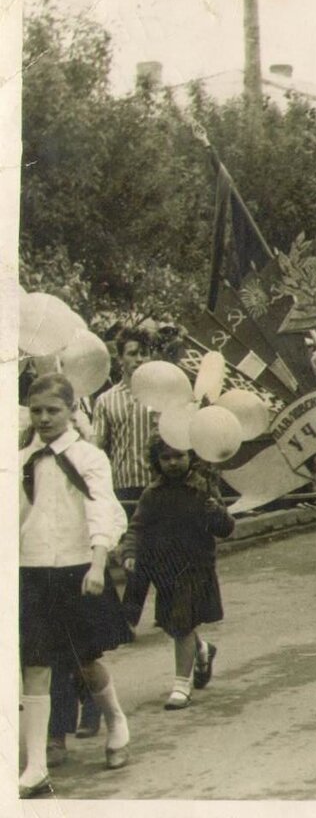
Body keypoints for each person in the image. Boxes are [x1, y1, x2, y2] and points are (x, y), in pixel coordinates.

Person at [19, 374, 134, 798]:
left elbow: (101, 508)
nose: (44, 418)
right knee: (34, 665)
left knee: (85, 661)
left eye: (53, 410)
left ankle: (117, 721)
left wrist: (99, 562)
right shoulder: (20, 457)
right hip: (32, 570)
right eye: (37, 411)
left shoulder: (88, 456)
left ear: (71, 411)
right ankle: (34, 767)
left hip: (79, 569)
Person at [121, 439, 233, 709]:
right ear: (156, 461)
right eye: (165, 457)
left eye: (178, 456)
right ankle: (202, 649)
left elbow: (226, 528)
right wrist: (129, 553)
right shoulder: (153, 493)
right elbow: (137, 526)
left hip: (195, 565)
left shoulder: (203, 488)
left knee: (182, 622)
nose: (172, 463)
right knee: (174, 624)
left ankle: (181, 686)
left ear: (191, 456)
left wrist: (215, 511)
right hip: (165, 567)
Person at [93, 326, 159, 628]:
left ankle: (127, 617)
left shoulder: (162, 394)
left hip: (156, 485)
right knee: (137, 552)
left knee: (148, 551)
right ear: (120, 359)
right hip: (124, 488)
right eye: (133, 354)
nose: (139, 359)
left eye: (144, 353)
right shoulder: (106, 401)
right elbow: (98, 449)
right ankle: (130, 616)